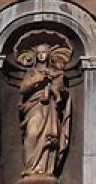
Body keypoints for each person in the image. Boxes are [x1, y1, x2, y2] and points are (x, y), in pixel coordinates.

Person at [18, 43, 72, 177]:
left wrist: (56, 88)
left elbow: (64, 92)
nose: (42, 55)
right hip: (34, 108)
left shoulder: (54, 74)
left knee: (50, 137)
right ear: (35, 56)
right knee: (32, 134)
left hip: (50, 108)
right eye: (39, 53)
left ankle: (46, 168)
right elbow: (23, 89)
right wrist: (37, 79)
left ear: (49, 55)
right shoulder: (31, 73)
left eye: (44, 52)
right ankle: (31, 167)